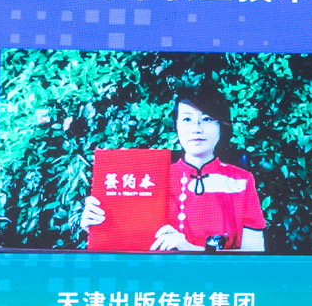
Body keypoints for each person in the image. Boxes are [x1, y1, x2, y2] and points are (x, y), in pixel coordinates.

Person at [80, 85, 267, 252]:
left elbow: (255, 252)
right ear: (176, 126)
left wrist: (192, 250)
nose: (196, 128)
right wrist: (99, 225)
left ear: (222, 126)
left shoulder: (241, 180)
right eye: (187, 119)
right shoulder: (152, 178)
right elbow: (127, 241)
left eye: (207, 119)